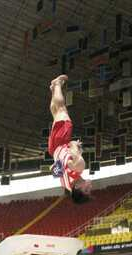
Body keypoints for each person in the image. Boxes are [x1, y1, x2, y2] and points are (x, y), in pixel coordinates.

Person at [47, 74, 92, 204]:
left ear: (77, 187)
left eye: (87, 190)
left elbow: (72, 144)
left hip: (61, 142)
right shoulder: (66, 186)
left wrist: (76, 147)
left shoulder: (79, 167)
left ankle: (56, 84)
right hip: (53, 149)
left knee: (62, 110)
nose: (90, 188)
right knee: (56, 113)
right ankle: (53, 89)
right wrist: (63, 158)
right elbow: (53, 169)